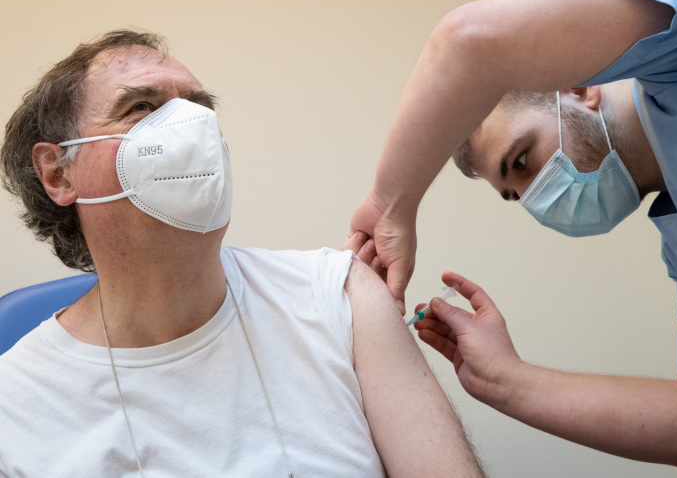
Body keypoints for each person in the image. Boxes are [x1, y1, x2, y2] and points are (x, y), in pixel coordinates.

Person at [345, 0, 677, 471]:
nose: (536, 194)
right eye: (515, 194)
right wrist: (504, 380)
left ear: (576, 86)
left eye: (522, 160)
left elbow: (470, 42)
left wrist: (390, 205)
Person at [0, 30, 484, 477]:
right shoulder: (16, 404)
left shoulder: (336, 295)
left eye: (199, 107)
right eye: (143, 107)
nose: (191, 128)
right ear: (58, 173)